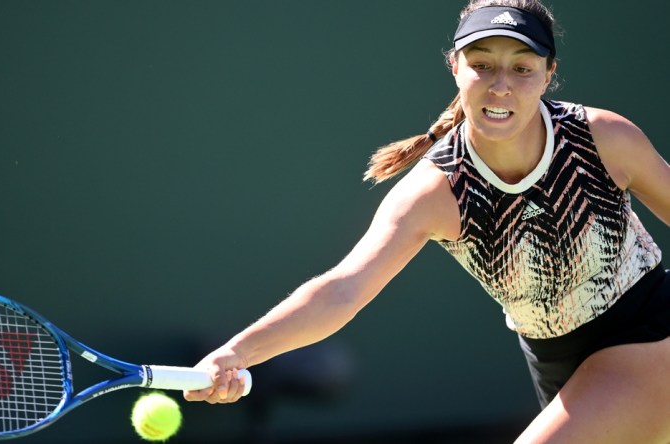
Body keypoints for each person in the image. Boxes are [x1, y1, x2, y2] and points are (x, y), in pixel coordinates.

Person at [184, 0, 670, 441]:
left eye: (522, 68)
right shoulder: (435, 190)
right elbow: (342, 290)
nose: (501, 84)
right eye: (482, 66)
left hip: (647, 332)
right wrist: (239, 352)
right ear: (455, 68)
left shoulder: (603, 137)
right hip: (554, 366)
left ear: (548, 75)